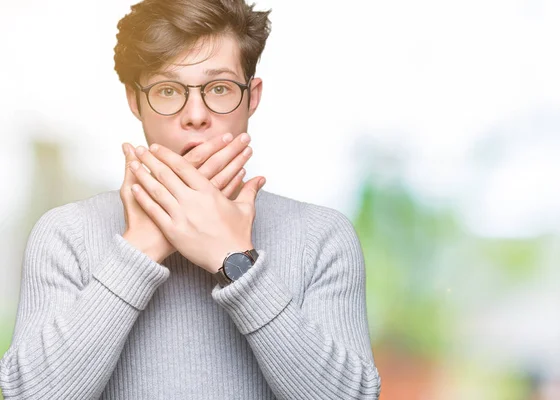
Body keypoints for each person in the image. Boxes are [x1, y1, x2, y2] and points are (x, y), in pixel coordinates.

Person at [0, 0, 381, 398]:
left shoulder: (322, 238)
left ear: (252, 97)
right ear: (135, 100)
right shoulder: (67, 235)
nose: (195, 115)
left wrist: (237, 260)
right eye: (167, 90)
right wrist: (141, 249)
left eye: (219, 88)